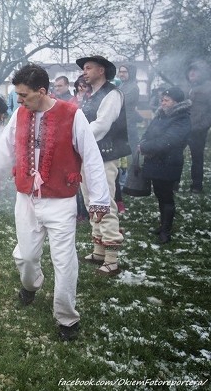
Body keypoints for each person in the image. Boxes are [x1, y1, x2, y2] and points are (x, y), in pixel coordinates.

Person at [0, 63, 109, 341]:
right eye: (18, 96)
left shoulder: (72, 115)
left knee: (64, 261)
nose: (20, 100)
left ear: (42, 91)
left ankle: (67, 319)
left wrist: (98, 201)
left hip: (61, 200)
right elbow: (5, 147)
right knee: (26, 256)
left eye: (24, 95)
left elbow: (91, 157)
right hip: (26, 197)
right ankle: (31, 284)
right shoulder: (20, 113)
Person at [77, 55, 130, 277]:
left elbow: (101, 125)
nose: (84, 72)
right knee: (91, 202)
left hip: (105, 156)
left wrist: (76, 139)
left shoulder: (112, 94)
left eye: (89, 68)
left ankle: (112, 259)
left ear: (102, 70)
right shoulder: (92, 95)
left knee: (104, 202)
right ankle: (99, 250)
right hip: (89, 155)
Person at [139, 87, 191, 244]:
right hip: (155, 161)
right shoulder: (160, 115)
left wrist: (146, 147)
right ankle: (162, 224)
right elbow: (148, 132)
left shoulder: (182, 118)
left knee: (167, 197)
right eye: (162, 99)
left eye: (166, 100)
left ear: (176, 102)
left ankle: (166, 231)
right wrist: (143, 142)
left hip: (169, 162)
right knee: (160, 195)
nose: (162, 102)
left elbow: (169, 141)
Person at [184, 60, 211, 194]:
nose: (192, 73)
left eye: (196, 71)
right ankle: (174, 183)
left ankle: (196, 186)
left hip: (198, 130)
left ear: (203, 73)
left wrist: (203, 126)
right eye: (190, 70)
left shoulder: (209, 88)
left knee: (197, 158)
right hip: (183, 128)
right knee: (175, 154)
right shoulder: (188, 87)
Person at [118, 64, 141, 151]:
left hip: (129, 122)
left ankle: (135, 164)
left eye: (124, 72)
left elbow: (121, 103)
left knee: (132, 145)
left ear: (130, 73)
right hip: (121, 120)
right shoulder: (122, 85)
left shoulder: (133, 87)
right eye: (120, 72)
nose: (121, 74)